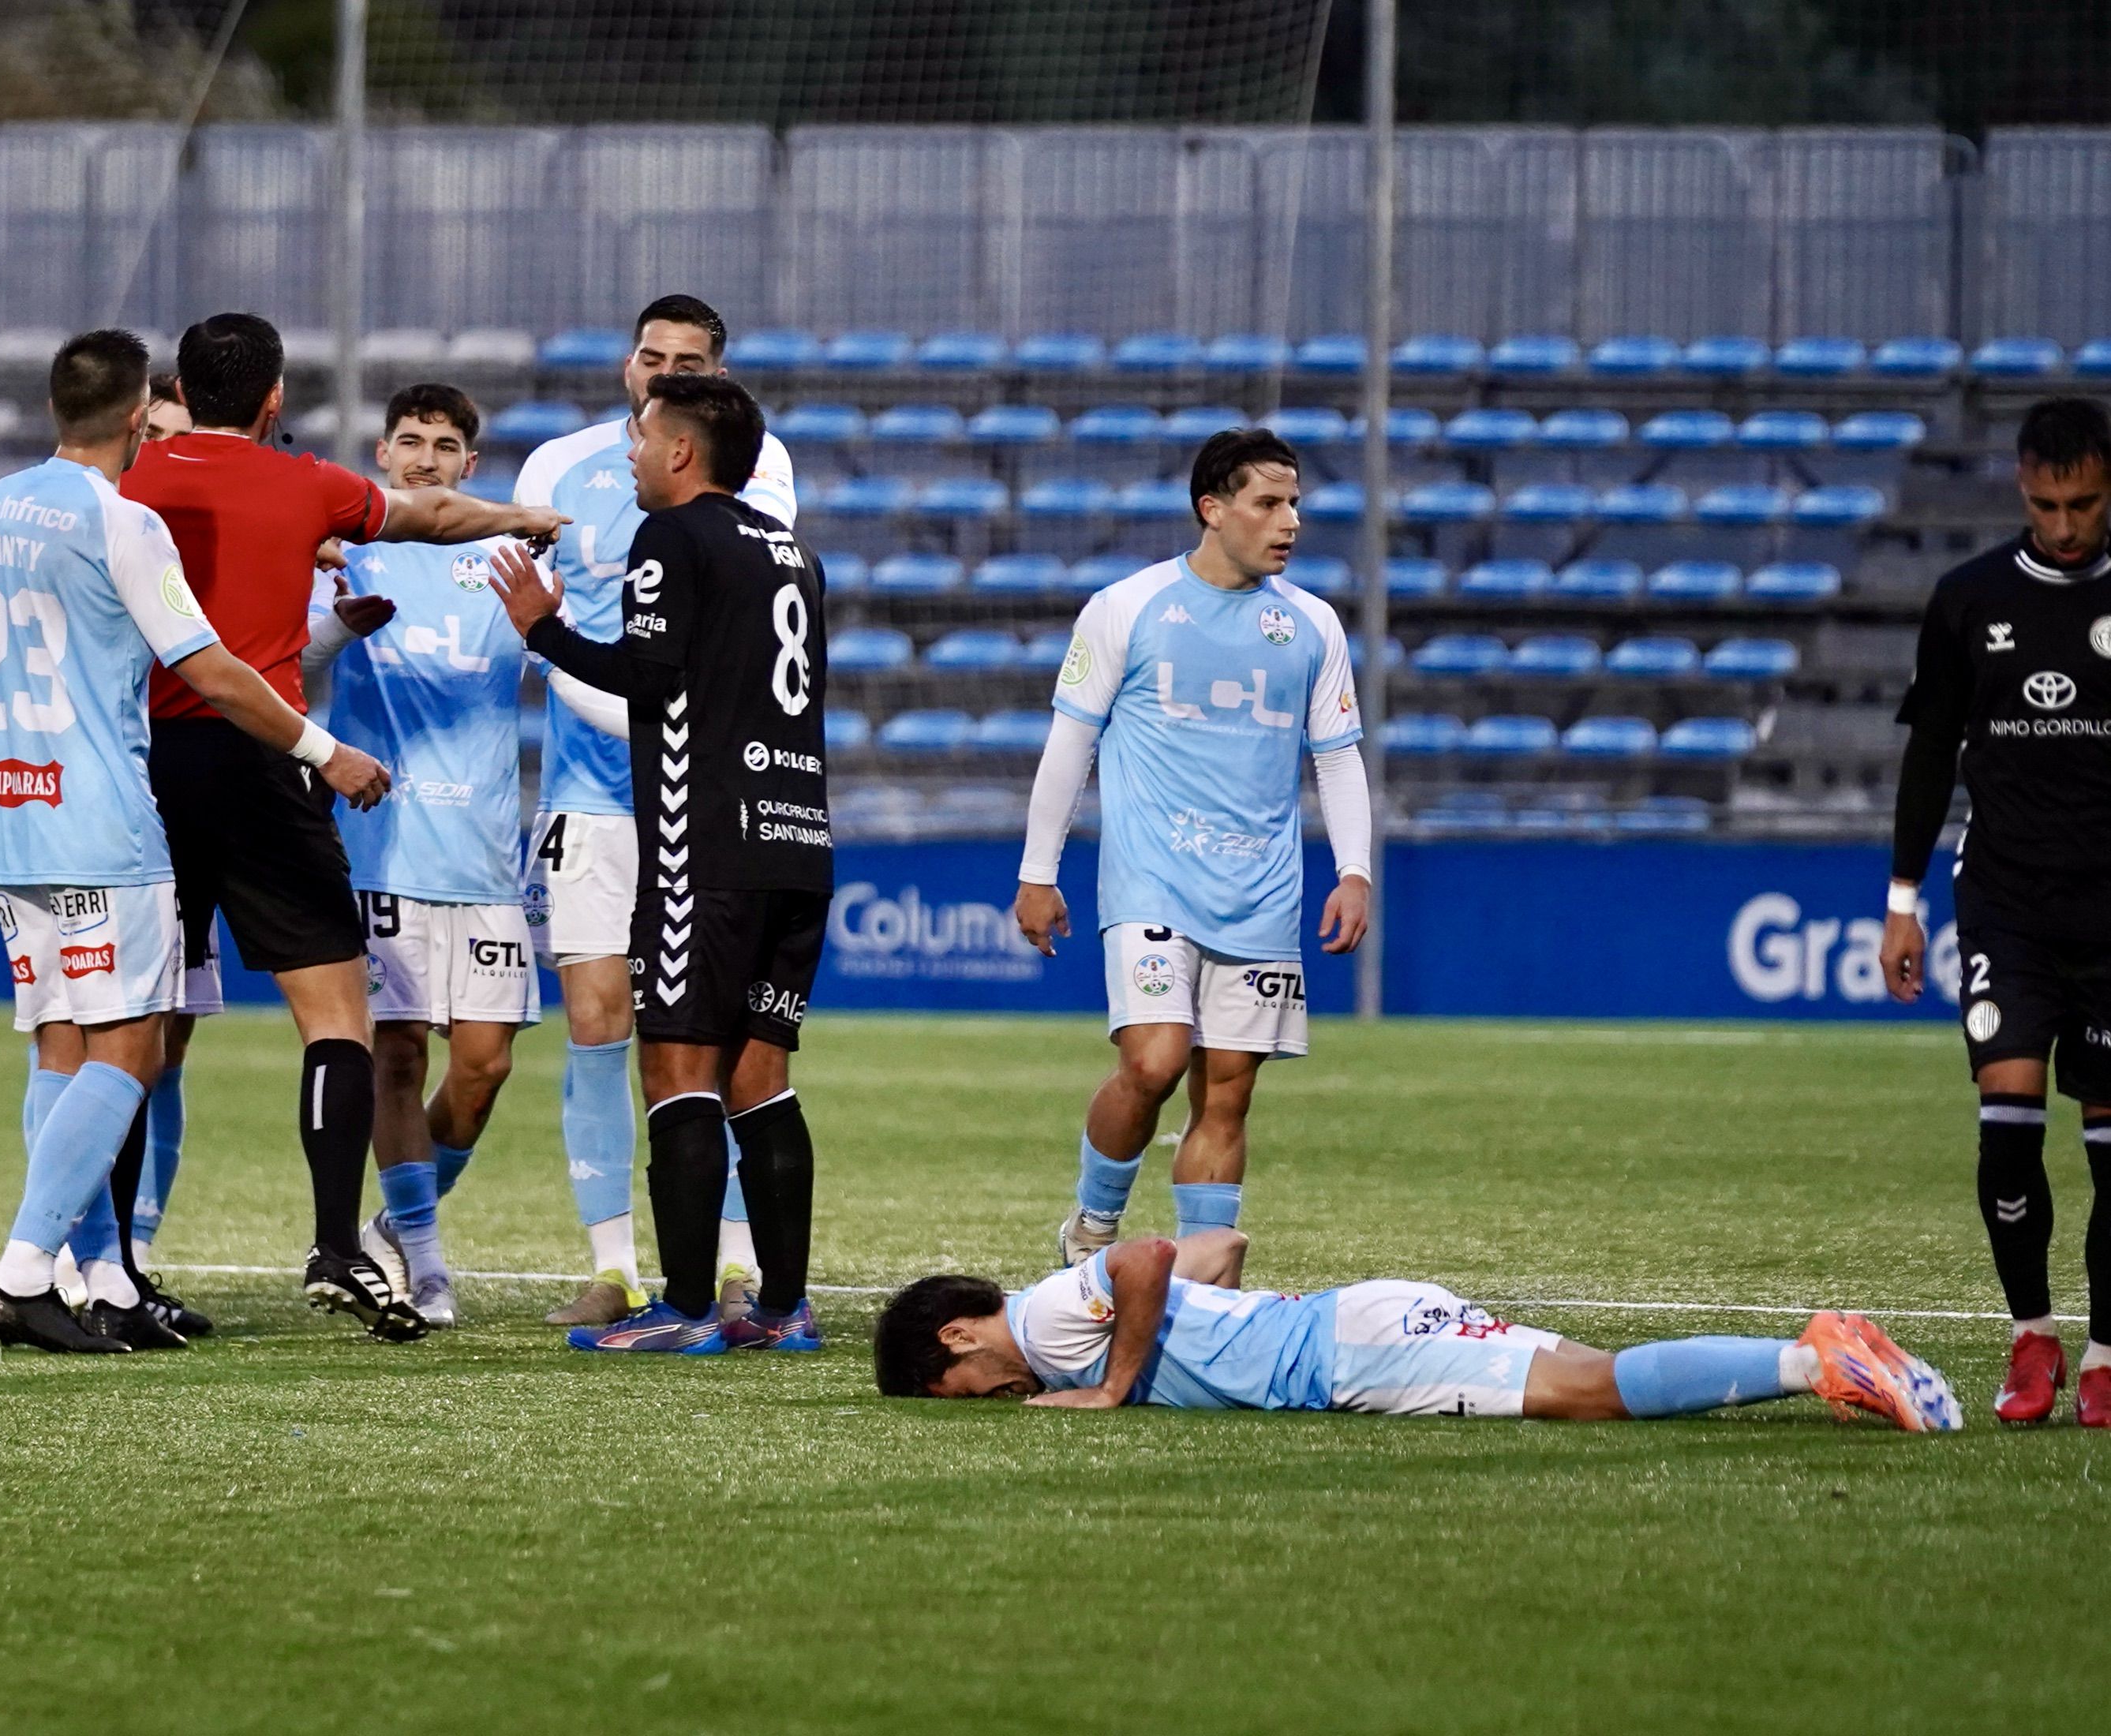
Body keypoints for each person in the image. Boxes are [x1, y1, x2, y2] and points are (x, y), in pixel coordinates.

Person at [0, 327, 395, 1353]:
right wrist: (325, 751)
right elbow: (211, 671)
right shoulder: (120, 523)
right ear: (137, 418)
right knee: (130, 1047)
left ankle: (105, 1280)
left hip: (12, 816)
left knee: (61, 1047)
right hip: (105, 822)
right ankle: (20, 1274)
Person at [118, 312, 565, 1331]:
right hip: (269, 761)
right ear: (275, 400)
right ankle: (336, 1246)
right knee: (337, 1021)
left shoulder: (128, 487)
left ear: (178, 390)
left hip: (144, 770)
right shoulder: (309, 485)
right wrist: (527, 518)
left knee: (143, 1029)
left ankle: (114, 1260)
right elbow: (431, 520)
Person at [490, 373, 829, 1355]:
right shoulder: (792, 551)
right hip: (798, 837)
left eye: (641, 441)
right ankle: (783, 1307)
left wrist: (543, 631)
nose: (630, 457)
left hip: (703, 844)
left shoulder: (670, 538)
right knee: (761, 1077)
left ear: (683, 452)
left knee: (677, 1065)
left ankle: (682, 1308)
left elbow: (649, 678)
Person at [1012, 428, 1370, 1270]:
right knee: (1156, 1059)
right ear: (1213, 509)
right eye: (1267, 503)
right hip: (1153, 881)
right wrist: (1038, 872)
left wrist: (1353, 870)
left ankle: (1205, 1283)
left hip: (1263, 892)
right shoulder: (1126, 607)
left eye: (1294, 504)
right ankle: (1092, 1228)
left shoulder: (1313, 624)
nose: (1288, 522)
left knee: (1229, 1092)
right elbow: (1070, 745)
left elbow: (1338, 757)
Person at [1881, 395, 2111, 1428]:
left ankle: (2105, 1354)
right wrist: (1900, 903)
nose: (2063, 524)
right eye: (2044, 504)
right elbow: (1929, 754)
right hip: (2005, 906)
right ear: (2020, 489)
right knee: (2007, 1122)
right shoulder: (1966, 599)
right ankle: (2031, 1341)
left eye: (2084, 504)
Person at [298, 383, 536, 1330]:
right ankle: (427, 1265)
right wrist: (331, 624)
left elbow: (565, 655)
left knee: (481, 1070)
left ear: (470, 468)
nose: (426, 458)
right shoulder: (338, 551)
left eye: (445, 446)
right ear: (383, 454)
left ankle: (396, 1228)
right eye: (409, 442)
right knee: (392, 1056)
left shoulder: (509, 558)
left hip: (482, 853)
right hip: (378, 848)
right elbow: (285, 660)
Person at [874, 1230, 1963, 1432]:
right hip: (1352, 1325)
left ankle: (1815, 1359)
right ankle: (1814, 1355)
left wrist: (1112, 1391)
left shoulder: (1044, 1316)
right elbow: (1215, 1250)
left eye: (950, 1392)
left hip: (1355, 1356)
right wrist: (1226, 1316)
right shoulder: (1060, 1318)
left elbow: (1147, 1257)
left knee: (1593, 1392)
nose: (983, 1404)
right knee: (1588, 1377)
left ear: (959, 1341)